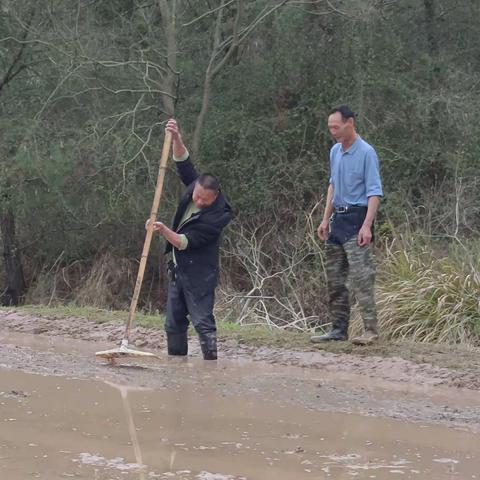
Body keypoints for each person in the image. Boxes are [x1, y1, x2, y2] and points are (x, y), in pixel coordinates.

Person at [148, 119, 232, 359]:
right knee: (173, 324)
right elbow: (183, 163)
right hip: (177, 269)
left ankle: (211, 361)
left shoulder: (218, 216)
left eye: (204, 200)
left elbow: (185, 242)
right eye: (196, 196)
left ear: (215, 197)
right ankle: (176, 362)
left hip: (200, 274)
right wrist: (176, 137)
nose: (198, 201)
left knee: (202, 321)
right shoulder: (195, 188)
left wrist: (163, 230)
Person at [310, 106, 383, 346]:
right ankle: (338, 329)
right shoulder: (335, 151)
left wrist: (367, 226)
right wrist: (324, 218)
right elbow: (332, 185)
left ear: (350, 123)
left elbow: (374, 192)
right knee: (335, 279)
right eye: (330, 127)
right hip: (337, 221)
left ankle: (370, 330)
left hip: (357, 219)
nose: (333, 131)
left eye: (336, 127)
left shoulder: (366, 152)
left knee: (362, 278)